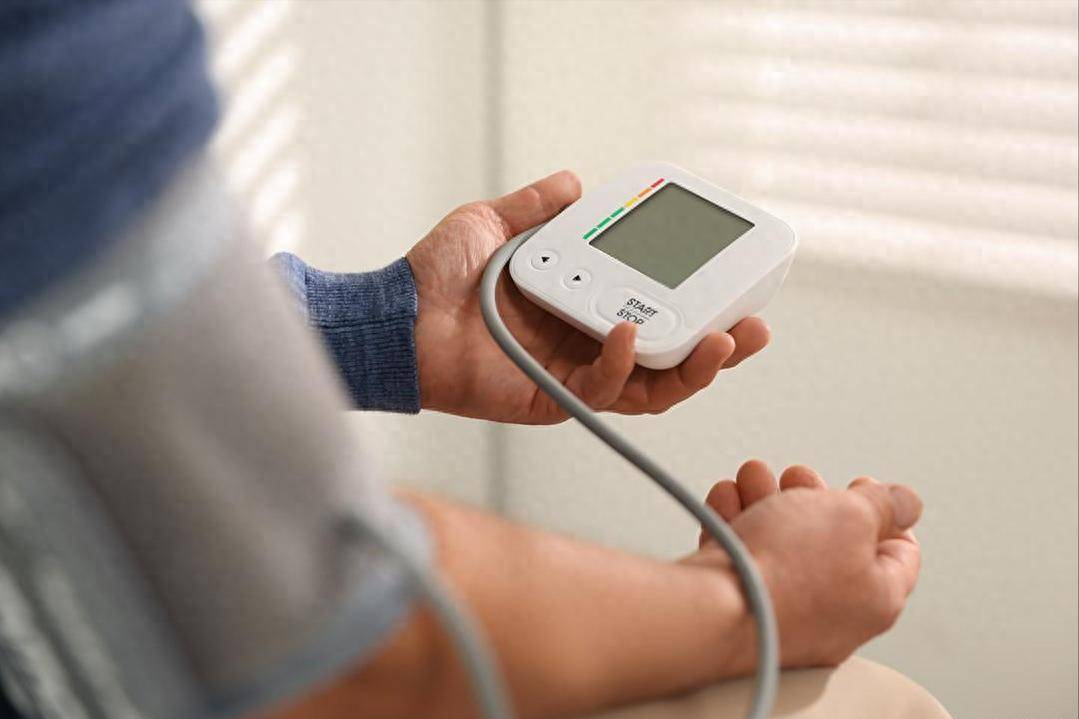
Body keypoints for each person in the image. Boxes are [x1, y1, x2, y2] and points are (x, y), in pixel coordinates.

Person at [0, 3, 922, 719]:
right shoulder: (52, 48)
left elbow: (66, 371)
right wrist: (755, 602)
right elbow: (313, 633)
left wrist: (385, 327)